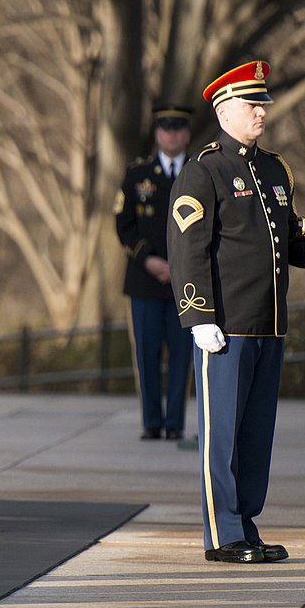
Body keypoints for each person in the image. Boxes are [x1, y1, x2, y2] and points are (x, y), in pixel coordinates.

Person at [167, 61, 305, 564]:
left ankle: (246, 524)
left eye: (262, 103)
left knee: (255, 436)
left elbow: (285, 240)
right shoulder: (204, 170)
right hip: (224, 324)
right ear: (224, 110)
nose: (261, 112)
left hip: (269, 322)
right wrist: (198, 315)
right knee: (221, 436)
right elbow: (187, 248)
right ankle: (223, 534)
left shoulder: (273, 169)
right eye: (252, 104)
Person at [115, 103, 193, 441]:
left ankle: (174, 423)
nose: (171, 135)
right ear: (157, 133)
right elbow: (124, 224)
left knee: (182, 355)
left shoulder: (199, 171)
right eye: (165, 128)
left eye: (178, 128)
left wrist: (181, 264)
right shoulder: (137, 174)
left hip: (187, 283)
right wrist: (148, 259)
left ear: (186, 133)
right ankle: (151, 421)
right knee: (147, 355)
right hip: (145, 280)